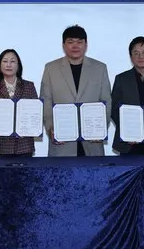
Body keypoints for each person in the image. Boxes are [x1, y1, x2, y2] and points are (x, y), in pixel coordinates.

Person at [40, 25, 111, 156]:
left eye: (79, 42)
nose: (75, 46)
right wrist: (51, 128)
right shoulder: (51, 68)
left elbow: (106, 101)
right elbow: (46, 101)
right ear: (63, 45)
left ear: (86, 44)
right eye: (70, 42)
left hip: (92, 142)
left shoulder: (100, 68)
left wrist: (100, 128)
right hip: (62, 143)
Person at [0, 49, 38, 157]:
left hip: (23, 145)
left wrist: (28, 129)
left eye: (13, 61)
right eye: (5, 61)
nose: (9, 65)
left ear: (18, 66)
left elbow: (36, 113)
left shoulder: (29, 86)